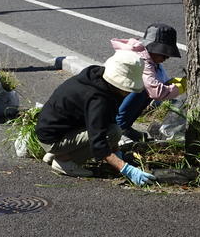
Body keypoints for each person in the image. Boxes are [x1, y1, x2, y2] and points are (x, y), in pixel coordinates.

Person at [35, 51, 157, 186]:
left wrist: (117, 152)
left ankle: (59, 152)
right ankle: (63, 161)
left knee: (115, 130)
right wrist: (125, 168)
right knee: (111, 134)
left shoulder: (97, 77)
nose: (128, 91)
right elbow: (98, 142)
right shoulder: (98, 99)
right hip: (52, 138)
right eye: (128, 87)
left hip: (57, 130)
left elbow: (109, 120)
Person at [111, 23, 186, 143]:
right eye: (164, 53)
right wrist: (180, 87)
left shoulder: (146, 56)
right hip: (110, 102)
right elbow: (156, 92)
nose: (167, 57)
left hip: (114, 101)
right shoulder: (141, 60)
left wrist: (169, 84)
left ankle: (124, 126)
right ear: (151, 48)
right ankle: (118, 128)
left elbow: (156, 82)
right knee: (142, 90)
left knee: (144, 90)